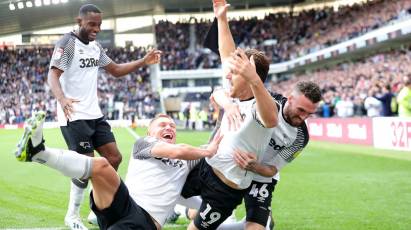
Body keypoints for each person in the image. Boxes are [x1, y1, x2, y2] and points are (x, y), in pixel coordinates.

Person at [47, 4, 162, 229]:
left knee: (114, 158)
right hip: (73, 114)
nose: (97, 29)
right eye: (92, 24)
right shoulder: (67, 43)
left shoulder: (96, 47)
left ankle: (96, 207)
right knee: (86, 165)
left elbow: (116, 70)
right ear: (79, 22)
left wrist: (143, 61)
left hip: (95, 114)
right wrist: (62, 99)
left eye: (99, 24)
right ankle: (72, 215)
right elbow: (53, 74)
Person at [15, 111, 223, 230]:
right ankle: (38, 152)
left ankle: (36, 153)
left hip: (145, 222)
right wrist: (208, 150)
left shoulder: (188, 160)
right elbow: (179, 151)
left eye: (172, 126)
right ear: (150, 131)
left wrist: (224, 110)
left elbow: (214, 141)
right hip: (123, 204)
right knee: (102, 166)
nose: (169, 128)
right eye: (162, 125)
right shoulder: (144, 144)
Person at [180, 1, 279, 229]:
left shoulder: (262, 105)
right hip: (204, 167)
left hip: (224, 190)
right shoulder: (235, 92)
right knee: (162, 182)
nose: (227, 76)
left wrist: (253, 78)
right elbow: (226, 53)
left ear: (251, 77)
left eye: (235, 73)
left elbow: (272, 119)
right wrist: (222, 19)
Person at [216, 81, 321, 230]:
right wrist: (229, 106)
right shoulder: (266, 99)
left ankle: (263, 220)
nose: (304, 117)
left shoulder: (301, 137)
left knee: (256, 228)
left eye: (310, 114)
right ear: (290, 99)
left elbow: (273, 170)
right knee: (199, 216)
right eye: (301, 110)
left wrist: (254, 166)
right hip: (231, 165)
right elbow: (218, 93)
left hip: (260, 176)